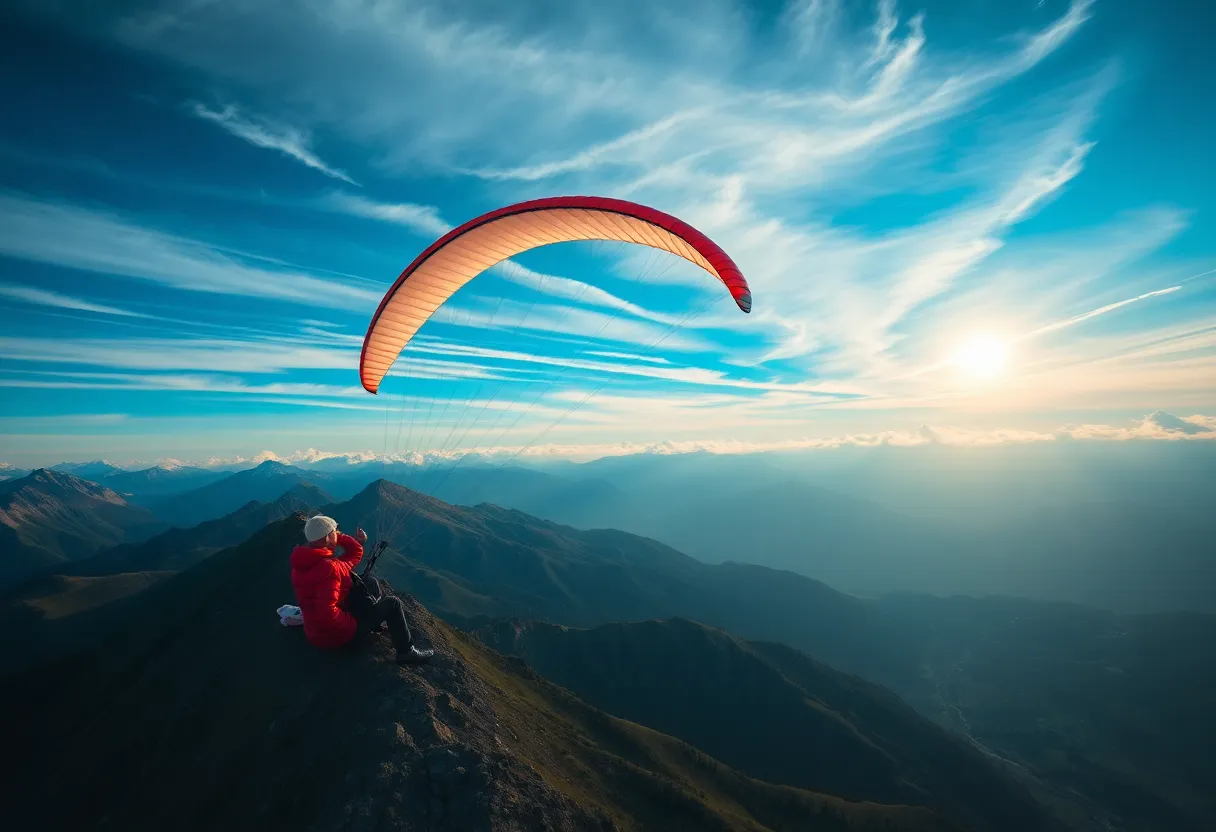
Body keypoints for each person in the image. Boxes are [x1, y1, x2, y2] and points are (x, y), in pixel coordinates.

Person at [289, 515, 433, 665]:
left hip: (316, 632)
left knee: (369, 582)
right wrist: (353, 623)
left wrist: (335, 536)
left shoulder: (303, 563)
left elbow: (352, 557)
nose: (338, 534)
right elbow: (326, 613)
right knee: (393, 603)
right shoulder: (329, 568)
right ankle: (406, 652)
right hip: (336, 636)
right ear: (326, 538)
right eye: (334, 532)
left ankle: (373, 622)